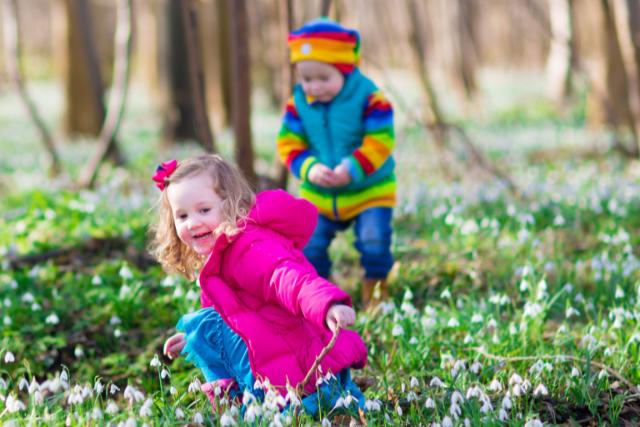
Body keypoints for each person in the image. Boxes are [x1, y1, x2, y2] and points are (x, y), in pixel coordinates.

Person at [148, 155, 367, 416]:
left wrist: (326, 304)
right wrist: (193, 342)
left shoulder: (248, 248)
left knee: (204, 324)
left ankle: (252, 404)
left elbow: (286, 277)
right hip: (286, 366)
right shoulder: (221, 257)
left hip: (301, 375)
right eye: (182, 215)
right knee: (203, 327)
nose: (192, 222)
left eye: (204, 210)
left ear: (230, 205)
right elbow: (233, 315)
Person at [277, 18, 396, 307]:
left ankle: (377, 291)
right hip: (319, 193)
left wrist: (351, 169)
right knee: (311, 245)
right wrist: (309, 168)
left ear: (345, 69)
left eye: (323, 78)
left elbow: (380, 139)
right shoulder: (298, 103)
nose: (314, 87)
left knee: (374, 241)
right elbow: (289, 142)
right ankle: (323, 297)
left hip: (369, 189)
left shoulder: (370, 97)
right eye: (306, 79)